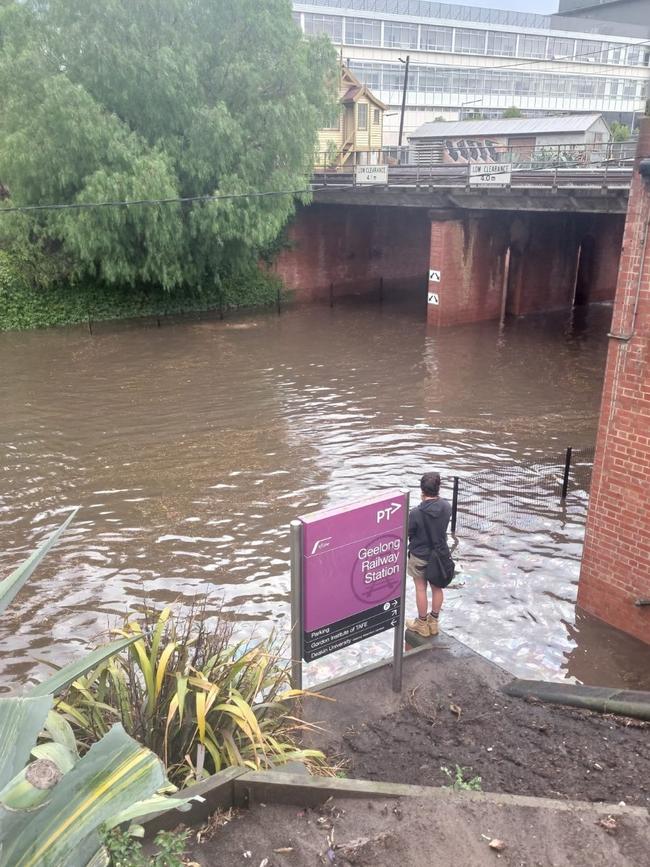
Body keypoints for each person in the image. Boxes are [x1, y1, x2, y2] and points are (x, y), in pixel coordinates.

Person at [405, 472, 454, 637]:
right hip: (440, 555)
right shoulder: (446, 507)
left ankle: (421, 624)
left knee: (420, 588)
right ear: (438, 488)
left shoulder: (415, 513)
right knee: (437, 588)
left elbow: (408, 533)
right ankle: (434, 622)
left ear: (422, 490)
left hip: (419, 556)